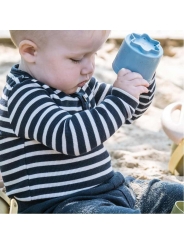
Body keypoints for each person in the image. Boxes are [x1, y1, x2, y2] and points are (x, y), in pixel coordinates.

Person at [0, 30, 183, 214]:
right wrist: (121, 98)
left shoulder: (79, 85)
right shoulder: (23, 96)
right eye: (76, 59)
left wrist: (140, 79)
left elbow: (128, 112)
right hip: (61, 205)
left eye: (93, 54)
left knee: (174, 194)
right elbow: (70, 138)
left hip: (111, 188)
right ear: (31, 51)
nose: (89, 68)